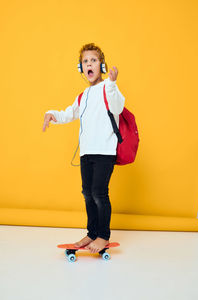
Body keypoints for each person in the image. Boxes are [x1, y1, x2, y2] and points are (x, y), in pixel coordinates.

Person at [42, 43, 125, 253]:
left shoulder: (108, 88)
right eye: (85, 61)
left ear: (101, 65)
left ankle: (103, 236)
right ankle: (92, 232)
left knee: (99, 193)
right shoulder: (83, 96)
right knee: (88, 193)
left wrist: (113, 83)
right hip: (87, 153)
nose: (89, 64)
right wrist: (53, 114)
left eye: (93, 60)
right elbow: (69, 113)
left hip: (105, 152)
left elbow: (118, 107)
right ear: (81, 68)